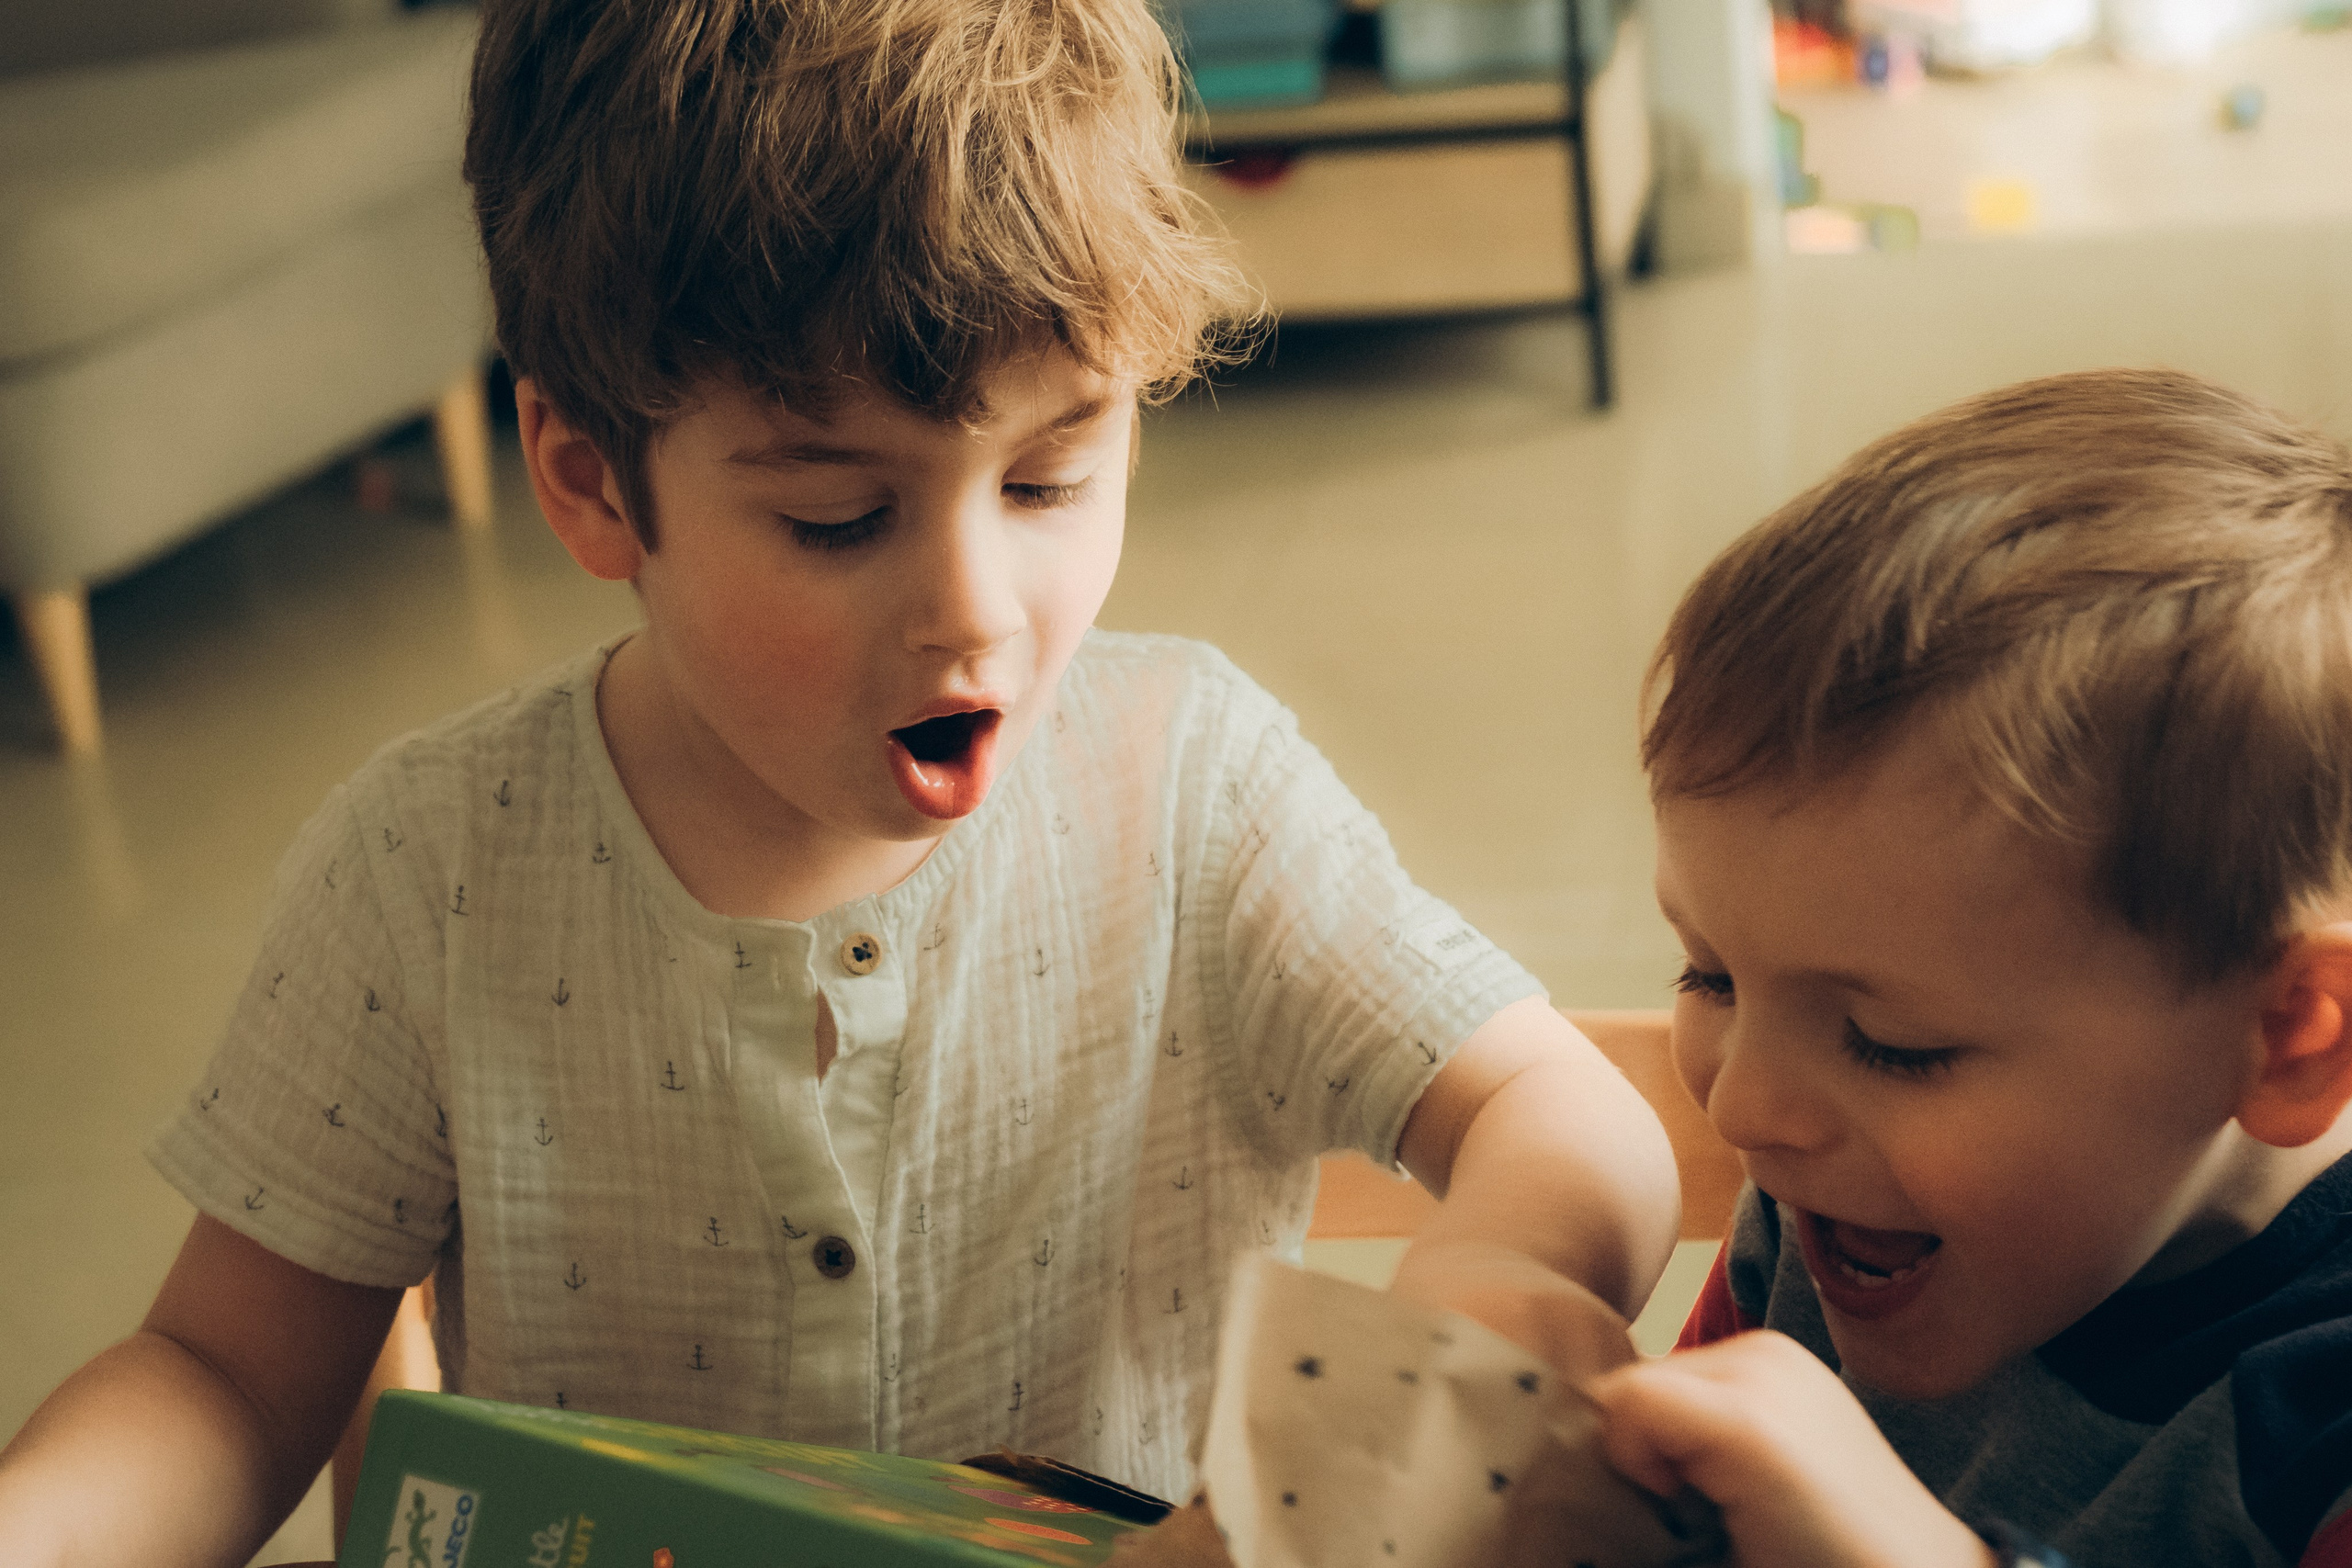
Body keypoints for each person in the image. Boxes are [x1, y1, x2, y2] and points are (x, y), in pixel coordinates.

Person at [0, 2, 1679, 1563]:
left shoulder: (1195, 790)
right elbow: (219, 1379)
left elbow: (1568, 1119)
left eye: (1051, 476)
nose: (974, 612)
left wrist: (1491, 1297)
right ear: (591, 484)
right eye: (836, 519)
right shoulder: (425, 867)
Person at [1589, 368, 2352, 1568]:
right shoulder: (1829, 1212)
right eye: (1711, 976)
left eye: (1896, 1044)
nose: (1746, 1108)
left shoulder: (2316, 1409)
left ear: (2287, 1035)